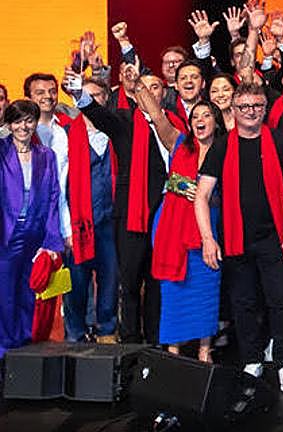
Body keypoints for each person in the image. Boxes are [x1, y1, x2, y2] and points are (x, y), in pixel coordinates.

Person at [194, 83, 283, 393]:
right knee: (243, 303)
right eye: (244, 107)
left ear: (264, 108)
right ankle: (252, 359)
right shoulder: (222, 146)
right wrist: (208, 238)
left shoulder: (279, 139)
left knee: (281, 301)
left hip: (276, 236)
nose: (251, 112)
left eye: (257, 106)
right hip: (234, 238)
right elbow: (201, 195)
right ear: (233, 109)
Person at [74, 63, 180, 344]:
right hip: (133, 215)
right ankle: (131, 343)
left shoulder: (178, 124)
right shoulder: (123, 122)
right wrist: (78, 94)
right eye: (140, 88)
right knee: (131, 282)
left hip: (169, 214)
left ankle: (157, 342)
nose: (147, 91)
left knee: (160, 282)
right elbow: (98, 114)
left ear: (163, 93)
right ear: (133, 94)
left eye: (154, 86)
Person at [147, 96, 224, 362]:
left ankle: (205, 350)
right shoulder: (179, 143)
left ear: (217, 121)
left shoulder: (225, 150)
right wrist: (138, 86)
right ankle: (174, 353)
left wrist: (206, 196)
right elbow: (157, 117)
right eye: (195, 117)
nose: (200, 121)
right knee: (173, 291)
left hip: (209, 227)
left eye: (206, 116)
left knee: (206, 287)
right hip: (172, 227)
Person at [0, 100, 64, 358]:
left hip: (35, 233)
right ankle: (4, 347)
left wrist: (51, 242)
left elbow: (52, 197)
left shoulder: (46, 155)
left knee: (29, 290)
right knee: (5, 291)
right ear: (9, 124)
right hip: (6, 232)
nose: (23, 126)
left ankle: (23, 344)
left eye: (28, 120)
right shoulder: (1, 151)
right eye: (17, 121)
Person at [60, 77, 118, 344]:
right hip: (79, 222)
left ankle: (107, 330)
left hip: (110, 221)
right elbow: (59, 186)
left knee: (109, 281)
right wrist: (64, 226)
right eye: (86, 96)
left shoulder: (116, 134)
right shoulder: (66, 135)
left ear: (106, 99)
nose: (92, 101)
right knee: (77, 283)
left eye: (97, 96)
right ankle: (75, 333)